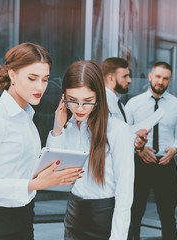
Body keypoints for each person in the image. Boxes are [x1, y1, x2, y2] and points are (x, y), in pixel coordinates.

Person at [0, 42, 83, 240]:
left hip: (24, 216)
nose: (40, 87)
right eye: (32, 78)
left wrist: (58, 128)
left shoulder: (27, 116)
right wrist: (33, 184)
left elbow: (28, 169)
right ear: (12, 74)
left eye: (45, 79)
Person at [46, 60, 134, 240]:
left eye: (87, 101)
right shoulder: (66, 128)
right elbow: (52, 175)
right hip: (74, 215)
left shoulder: (118, 130)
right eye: (73, 101)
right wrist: (57, 129)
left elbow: (124, 196)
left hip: (105, 218)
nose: (79, 108)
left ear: (98, 97)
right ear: (64, 97)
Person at [125, 62, 177, 240]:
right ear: (151, 76)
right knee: (134, 213)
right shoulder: (133, 104)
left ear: (170, 80)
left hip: (165, 164)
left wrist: (175, 149)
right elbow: (124, 134)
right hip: (140, 164)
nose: (161, 81)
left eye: (166, 78)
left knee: (168, 215)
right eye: (158, 77)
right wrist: (139, 149)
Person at [102, 57, 149, 152]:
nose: (129, 80)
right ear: (110, 78)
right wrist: (134, 136)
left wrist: (135, 138)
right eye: (125, 76)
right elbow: (108, 138)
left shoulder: (118, 103)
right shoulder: (103, 103)